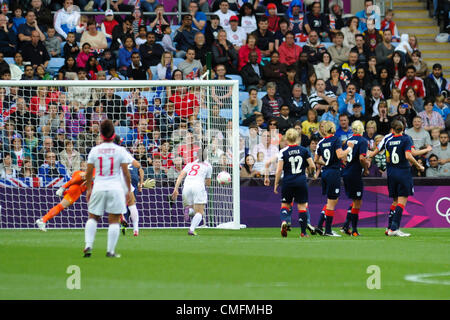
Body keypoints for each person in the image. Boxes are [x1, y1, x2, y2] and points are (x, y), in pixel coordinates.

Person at [83, 119, 132, 258]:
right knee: (114, 220)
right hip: (115, 187)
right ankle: (110, 251)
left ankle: (88, 245)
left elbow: (88, 173)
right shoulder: (120, 150)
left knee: (93, 217)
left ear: (101, 134)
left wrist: (88, 189)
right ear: (113, 133)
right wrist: (128, 190)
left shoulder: (94, 150)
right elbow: (126, 173)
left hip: (98, 186)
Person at [265, 128, 316, 237]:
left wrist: (276, 184)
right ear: (297, 138)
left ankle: (284, 222)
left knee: (285, 205)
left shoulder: (283, 152)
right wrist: (311, 172)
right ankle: (303, 232)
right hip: (301, 181)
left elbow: (279, 170)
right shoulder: (304, 150)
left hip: (288, 181)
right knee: (302, 206)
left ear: (287, 139)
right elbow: (312, 165)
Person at [384, 120, 424, 236]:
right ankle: (394, 229)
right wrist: (418, 165)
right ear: (403, 129)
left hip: (391, 174)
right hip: (403, 173)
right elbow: (408, 155)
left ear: (392, 129)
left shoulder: (388, 141)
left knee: (395, 201)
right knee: (401, 202)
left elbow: (388, 159)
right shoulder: (406, 139)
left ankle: (389, 227)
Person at [314, 121, 354, 236]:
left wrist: (325, 162)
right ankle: (328, 230)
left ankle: (320, 225)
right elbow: (340, 155)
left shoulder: (321, 142)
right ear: (333, 128)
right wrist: (349, 148)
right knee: (332, 202)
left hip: (325, 173)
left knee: (331, 201)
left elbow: (316, 159)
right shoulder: (335, 139)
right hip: (334, 172)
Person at [36, 163, 90, 231]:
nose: (85, 167)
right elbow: (75, 179)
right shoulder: (79, 173)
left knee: (61, 206)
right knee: (61, 206)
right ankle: (43, 220)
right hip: (74, 191)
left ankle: (43, 220)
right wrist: (63, 187)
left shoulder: (94, 173)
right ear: (81, 166)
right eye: (83, 165)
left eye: (86, 165)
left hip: (78, 192)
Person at [171, 149, 212, 236]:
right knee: (200, 212)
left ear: (197, 156)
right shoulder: (208, 166)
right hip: (198, 187)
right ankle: (191, 229)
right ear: (206, 156)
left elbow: (181, 175)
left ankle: (189, 211)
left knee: (194, 208)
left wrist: (176, 189)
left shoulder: (190, 164)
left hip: (186, 186)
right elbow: (208, 183)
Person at [340, 121, 369, 236]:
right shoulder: (363, 141)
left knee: (354, 201)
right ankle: (355, 230)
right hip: (355, 173)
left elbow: (343, 157)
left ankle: (346, 225)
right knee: (358, 202)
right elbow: (362, 158)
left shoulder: (347, 140)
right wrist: (366, 168)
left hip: (346, 172)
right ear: (362, 129)